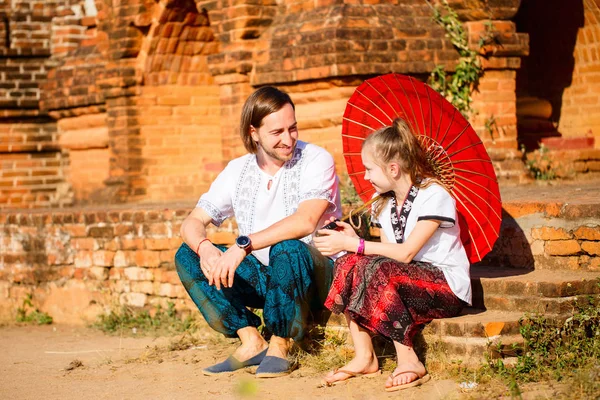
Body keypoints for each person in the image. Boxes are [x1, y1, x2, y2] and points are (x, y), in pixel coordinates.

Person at [174, 86, 341, 378]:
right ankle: (252, 341)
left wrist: (243, 246)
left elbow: (305, 221)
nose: (288, 139)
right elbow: (191, 222)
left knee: (287, 248)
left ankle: (281, 344)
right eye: (277, 132)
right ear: (254, 133)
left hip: (314, 274)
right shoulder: (237, 170)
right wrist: (205, 248)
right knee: (187, 255)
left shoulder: (316, 159)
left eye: (293, 128)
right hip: (266, 278)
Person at [313, 118, 471, 391]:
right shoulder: (384, 204)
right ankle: (365, 357)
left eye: (369, 169)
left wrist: (358, 245)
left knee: (376, 266)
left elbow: (406, 253)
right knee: (349, 261)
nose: (365, 176)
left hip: (446, 285)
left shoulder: (434, 195)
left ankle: (409, 361)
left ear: (393, 169)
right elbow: (385, 255)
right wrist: (353, 242)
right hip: (405, 279)